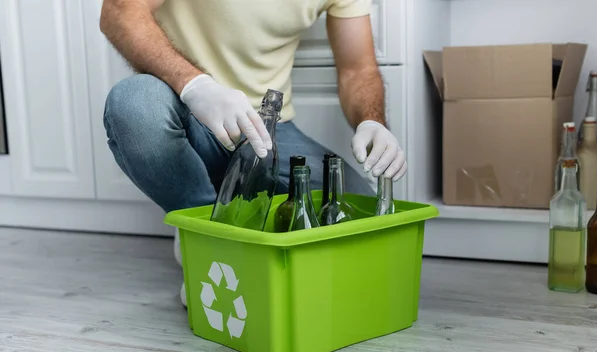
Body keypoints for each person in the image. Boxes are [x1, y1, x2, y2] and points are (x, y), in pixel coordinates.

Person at [99, 0, 407, 307]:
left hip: (269, 133)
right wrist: (195, 85)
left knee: (359, 213)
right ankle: (205, 233)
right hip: (188, 110)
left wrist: (372, 122)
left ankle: (226, 213)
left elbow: (358, 69)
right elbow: (119, 11)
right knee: (134, 104)